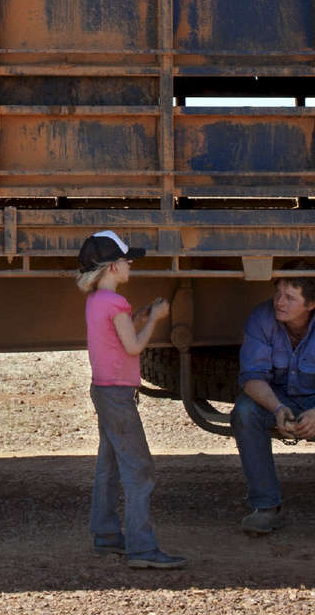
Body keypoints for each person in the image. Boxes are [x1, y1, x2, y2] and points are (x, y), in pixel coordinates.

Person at [231, 270, 315, 547]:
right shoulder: (261, 318)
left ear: (311, 304)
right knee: (244, 412)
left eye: (290, 298)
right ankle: (266, 508)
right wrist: (278, 407)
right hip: (278, 397)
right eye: (278, 293)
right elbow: (252, 377)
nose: (279, 302)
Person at [77, 229, 186, 570]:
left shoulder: (96, 301)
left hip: (103, 390)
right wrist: (153, 319)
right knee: (139, 470)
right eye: (126, 260)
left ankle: (107, 535)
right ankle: (142, 548)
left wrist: (138, 317)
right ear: (112, 267)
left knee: (109, 465)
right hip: (119, 396)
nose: (130, 265)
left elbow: (116, 333)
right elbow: (134, 347)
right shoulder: (117, 303)